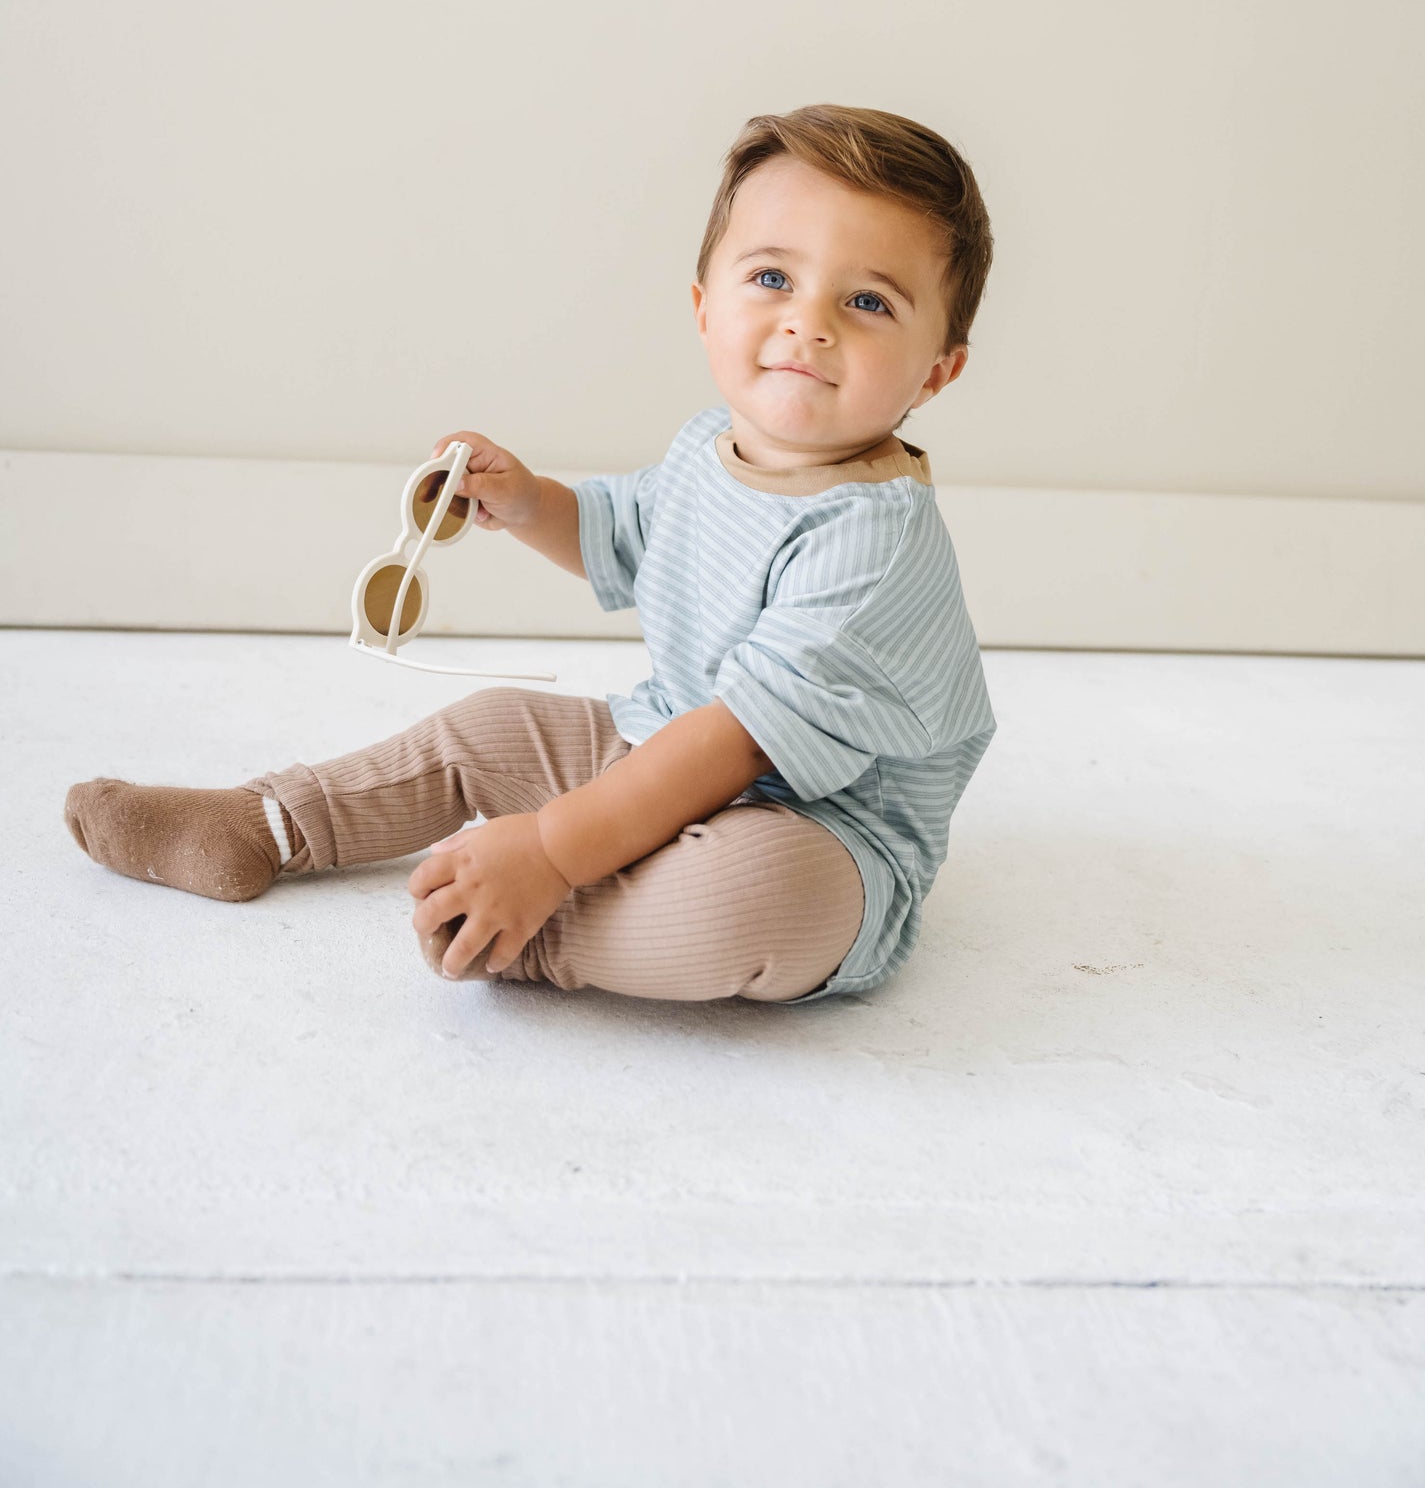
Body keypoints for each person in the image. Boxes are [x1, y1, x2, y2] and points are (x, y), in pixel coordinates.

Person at [63, 103, 998, 1007]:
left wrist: (551, 853)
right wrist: (523, 502)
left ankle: (524, 929)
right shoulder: (711, 445)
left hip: (819, 829)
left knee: (753, 902)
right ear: (703, 304)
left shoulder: (872, 546)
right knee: (491, 724)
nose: (809, 322)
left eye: (868, 300)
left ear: (937, 369)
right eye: (770, 280)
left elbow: (734, 741)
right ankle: (263, 824)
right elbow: (622, 534)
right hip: (659, 741)